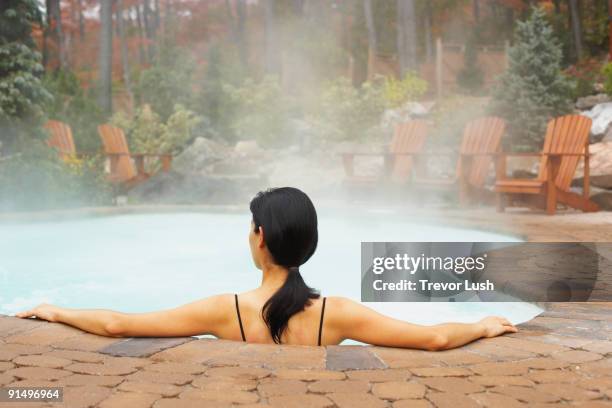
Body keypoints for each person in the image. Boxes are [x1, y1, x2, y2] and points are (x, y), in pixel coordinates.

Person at [15, 187, 517, 350]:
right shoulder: (334, 314)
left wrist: (55, 310)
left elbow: (117, 324)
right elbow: (431, 339)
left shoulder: (224, 311)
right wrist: (483, 324)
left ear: (259, 238)